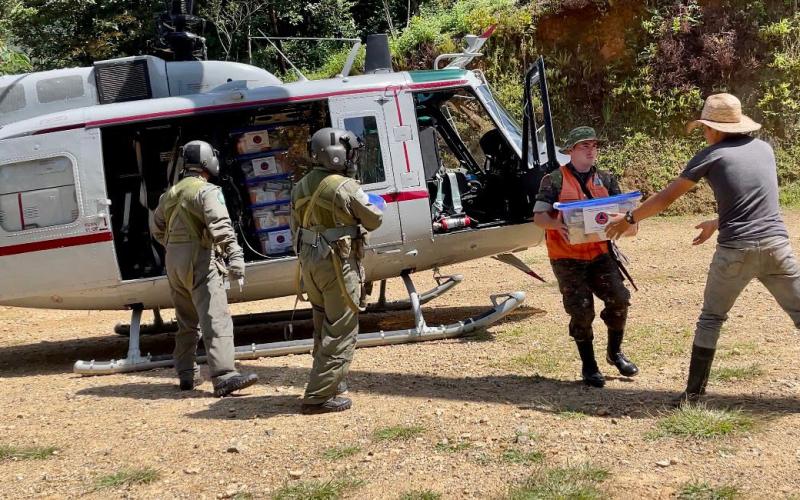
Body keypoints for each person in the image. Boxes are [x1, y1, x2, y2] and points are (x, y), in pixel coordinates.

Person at [606, 93, 800, 403]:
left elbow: (667, 197)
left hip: (735, 251)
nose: (705, 133)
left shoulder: (711, 155)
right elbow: (754, 200)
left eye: (706, 128)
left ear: (715, 129)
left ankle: (694, 395)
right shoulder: (765, 149)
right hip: (777, 247)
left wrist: (629, 217)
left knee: (711, 318)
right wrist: (718, 220)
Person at [532, 126, 639, 388]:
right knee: (581, 311)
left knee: (619, 300)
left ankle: (614, 353)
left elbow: (627, 216)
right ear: (570, 150)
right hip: (566, 257)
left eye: (594, 146)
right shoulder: (553, 180)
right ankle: (589, 365)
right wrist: (558, 225)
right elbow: (539, 217)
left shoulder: (607, 179)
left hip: (600, 254)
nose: (591, 151)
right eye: (584, 146)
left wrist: (626, 222)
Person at [151, 140, 259, 397]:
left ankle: (186, 375)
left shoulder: (170, 194)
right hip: (200, 259)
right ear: (206, 162)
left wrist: (176, 246)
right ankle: (224, 376)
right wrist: (235, 256)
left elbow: (157, 228)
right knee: (215, 318)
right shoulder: (207, 191)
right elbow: (221, 226)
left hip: (174, 262)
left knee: (187, 321)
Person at [291, 127, 383, 414]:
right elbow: (374, 220)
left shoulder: (300, 186)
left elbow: (296, 227)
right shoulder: (345, 187)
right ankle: (318, 396)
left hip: (311, 265)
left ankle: (335, 382)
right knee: (342, 328)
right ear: (336, 155)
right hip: (336, 263)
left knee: (323, 324)